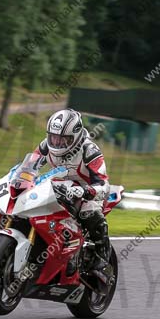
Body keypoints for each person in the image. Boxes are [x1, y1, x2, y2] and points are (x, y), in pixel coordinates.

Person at [27, 108, 113, 285]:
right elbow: (29, 166)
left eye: (63, 139)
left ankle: (101, 261)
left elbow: (103, 183)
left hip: (88, 192)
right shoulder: (46, 145)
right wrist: (20, 179)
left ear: (75, 137)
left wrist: (86, 191)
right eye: (53, 137)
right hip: (60, 186)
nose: (57, 143)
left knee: (88, 213)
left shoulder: (89, 150)